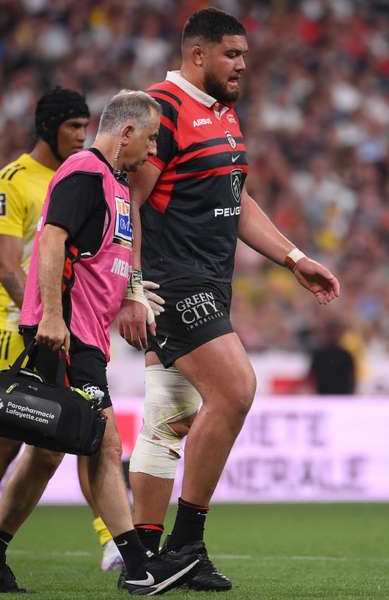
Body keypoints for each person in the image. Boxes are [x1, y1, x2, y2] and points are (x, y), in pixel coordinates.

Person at [114, 8, 341, 591]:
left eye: (244, 54)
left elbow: (236, 200)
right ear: (198, 55)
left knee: (169, 415)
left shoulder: (223, 115)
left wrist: (294, 259)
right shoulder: (161, 108)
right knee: (237, 389)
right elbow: (129, 201)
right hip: (172, 284)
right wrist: (132, 290)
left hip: (212, 283)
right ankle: (186, 542)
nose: (243, 64)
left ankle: (142, 558)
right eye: (232, 55)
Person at [0, 90, 200, 595]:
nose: (154, 150)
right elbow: (51, 239)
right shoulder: (86, 172)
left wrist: (132, 296)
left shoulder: (115, 182)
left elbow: (111, 257)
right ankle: (138, 565)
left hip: (85, 334)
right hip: (63, 333)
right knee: (103, 443)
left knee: (46, 454)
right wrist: (49, 314)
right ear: (126, 132)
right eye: (151, 138)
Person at [0, 87, 127, 572]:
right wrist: (46, 310)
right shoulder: (13, 181)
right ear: (47, 128)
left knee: (71, 430)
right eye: (72, 126)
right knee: (15, 435)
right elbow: (5, 264)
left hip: (64, 323)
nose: (81, 135)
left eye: (86, 126)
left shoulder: (92, 174)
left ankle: (110, 538)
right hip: (20, 324)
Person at [308, 318, 356, 395]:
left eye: (336, 332)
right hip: (323, 397)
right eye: (331, 332)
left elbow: (352, 379)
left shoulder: (346, 355)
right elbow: (311, 377)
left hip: (342, 398)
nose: (334, 335)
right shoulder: (319, 354)